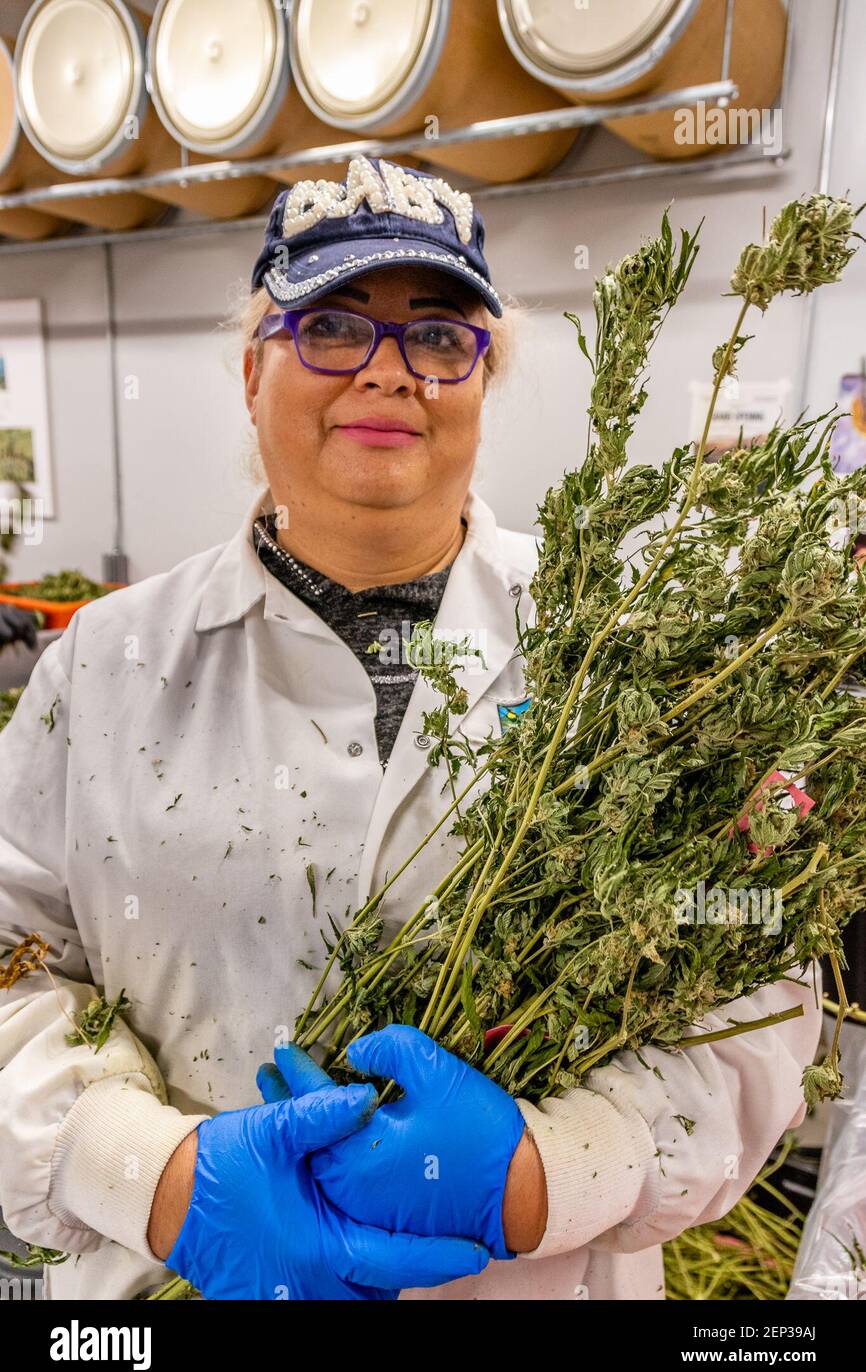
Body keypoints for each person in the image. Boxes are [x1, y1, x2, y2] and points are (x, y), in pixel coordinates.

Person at [0, 156, 821, 1300]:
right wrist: (158, 1176)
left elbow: (750, 979)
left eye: (439, 337)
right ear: (252, 370)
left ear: (483, 378)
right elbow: (11, 964)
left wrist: (543, 1174)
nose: (388, 374)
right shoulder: (101, 663)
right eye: (329, 325)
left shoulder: (634, 654)